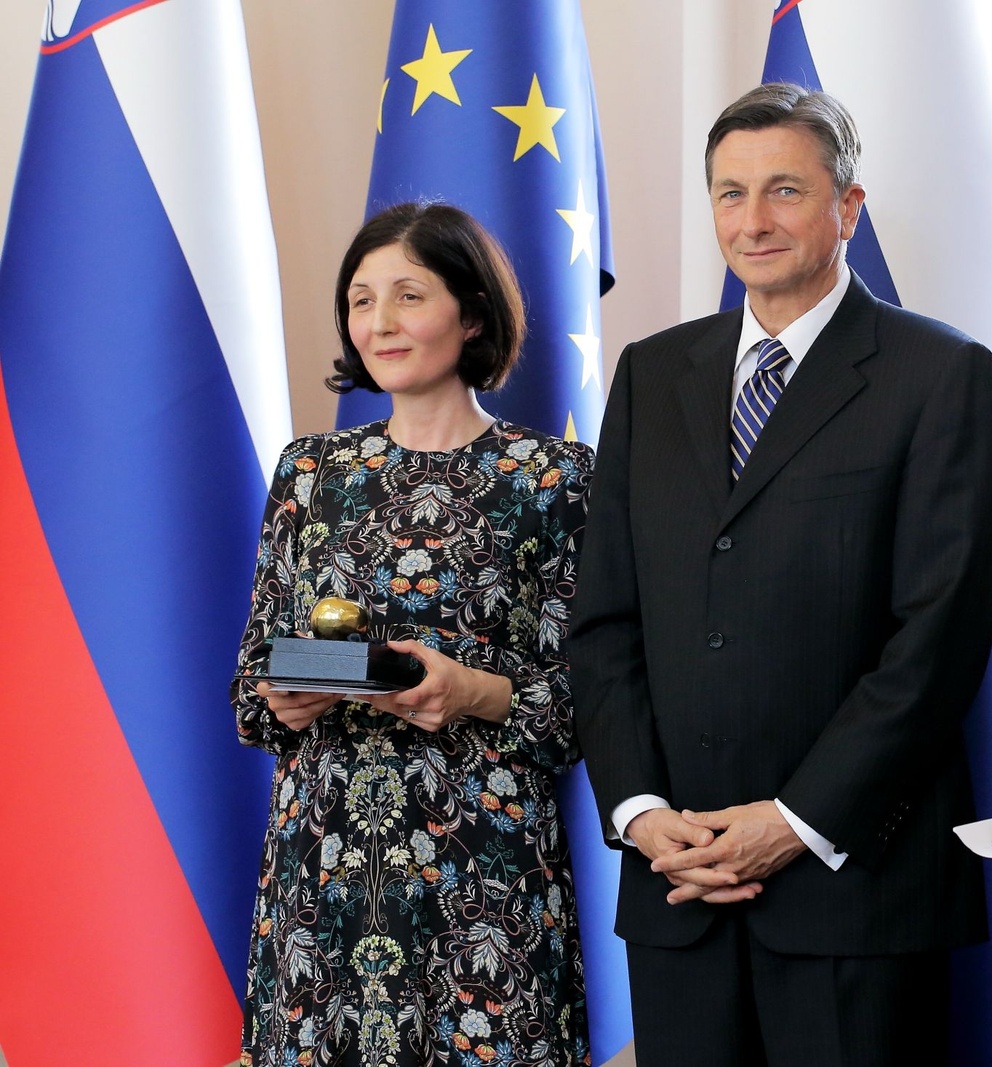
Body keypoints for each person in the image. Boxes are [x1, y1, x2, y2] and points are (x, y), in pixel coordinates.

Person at [567, 83, 992, 1066]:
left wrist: (797, 820)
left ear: (847, 207)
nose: (751, 221)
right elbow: (604, 622)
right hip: (677, 885)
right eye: (728, 194)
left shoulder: (940, 375)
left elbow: (936, 641)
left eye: (782, 191)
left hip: (857, 886)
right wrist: (640, 811)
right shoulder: (651, 372)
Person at [231, 202, 593, 1066]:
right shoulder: (309, 473)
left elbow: (594, 704)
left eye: (407, 295)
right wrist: (283, 697)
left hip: (485, 875)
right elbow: (248, 693)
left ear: (472, 315)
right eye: (360, 300)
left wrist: (473, 690)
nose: (379, 323)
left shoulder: (554, 480)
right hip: (320, 877)